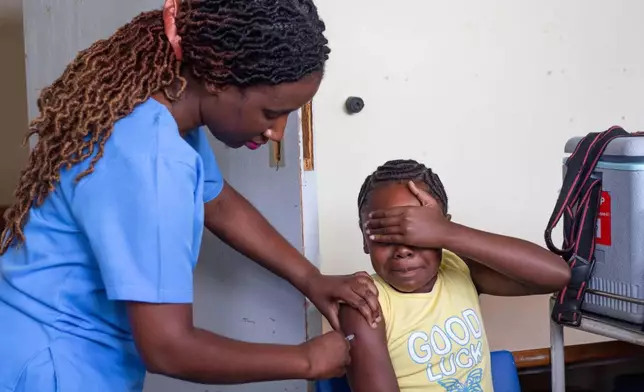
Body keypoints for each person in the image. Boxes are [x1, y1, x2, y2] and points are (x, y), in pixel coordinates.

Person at [0, 1, 382, 392]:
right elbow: (168, 348)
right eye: (271, 112)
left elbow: (216, 202)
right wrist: (307, 360)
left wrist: (310, 278)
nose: (277, 132)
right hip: (49, 368)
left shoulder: (158, 109)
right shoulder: (152, 159)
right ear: (217, 79)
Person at [339, 159, 571, 392]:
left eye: (418, 236)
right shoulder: (365, 303)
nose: (403, 250)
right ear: (364, 239)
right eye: (385, 236)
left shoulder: (457, 268)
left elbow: (556, 275)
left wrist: (447, 233)